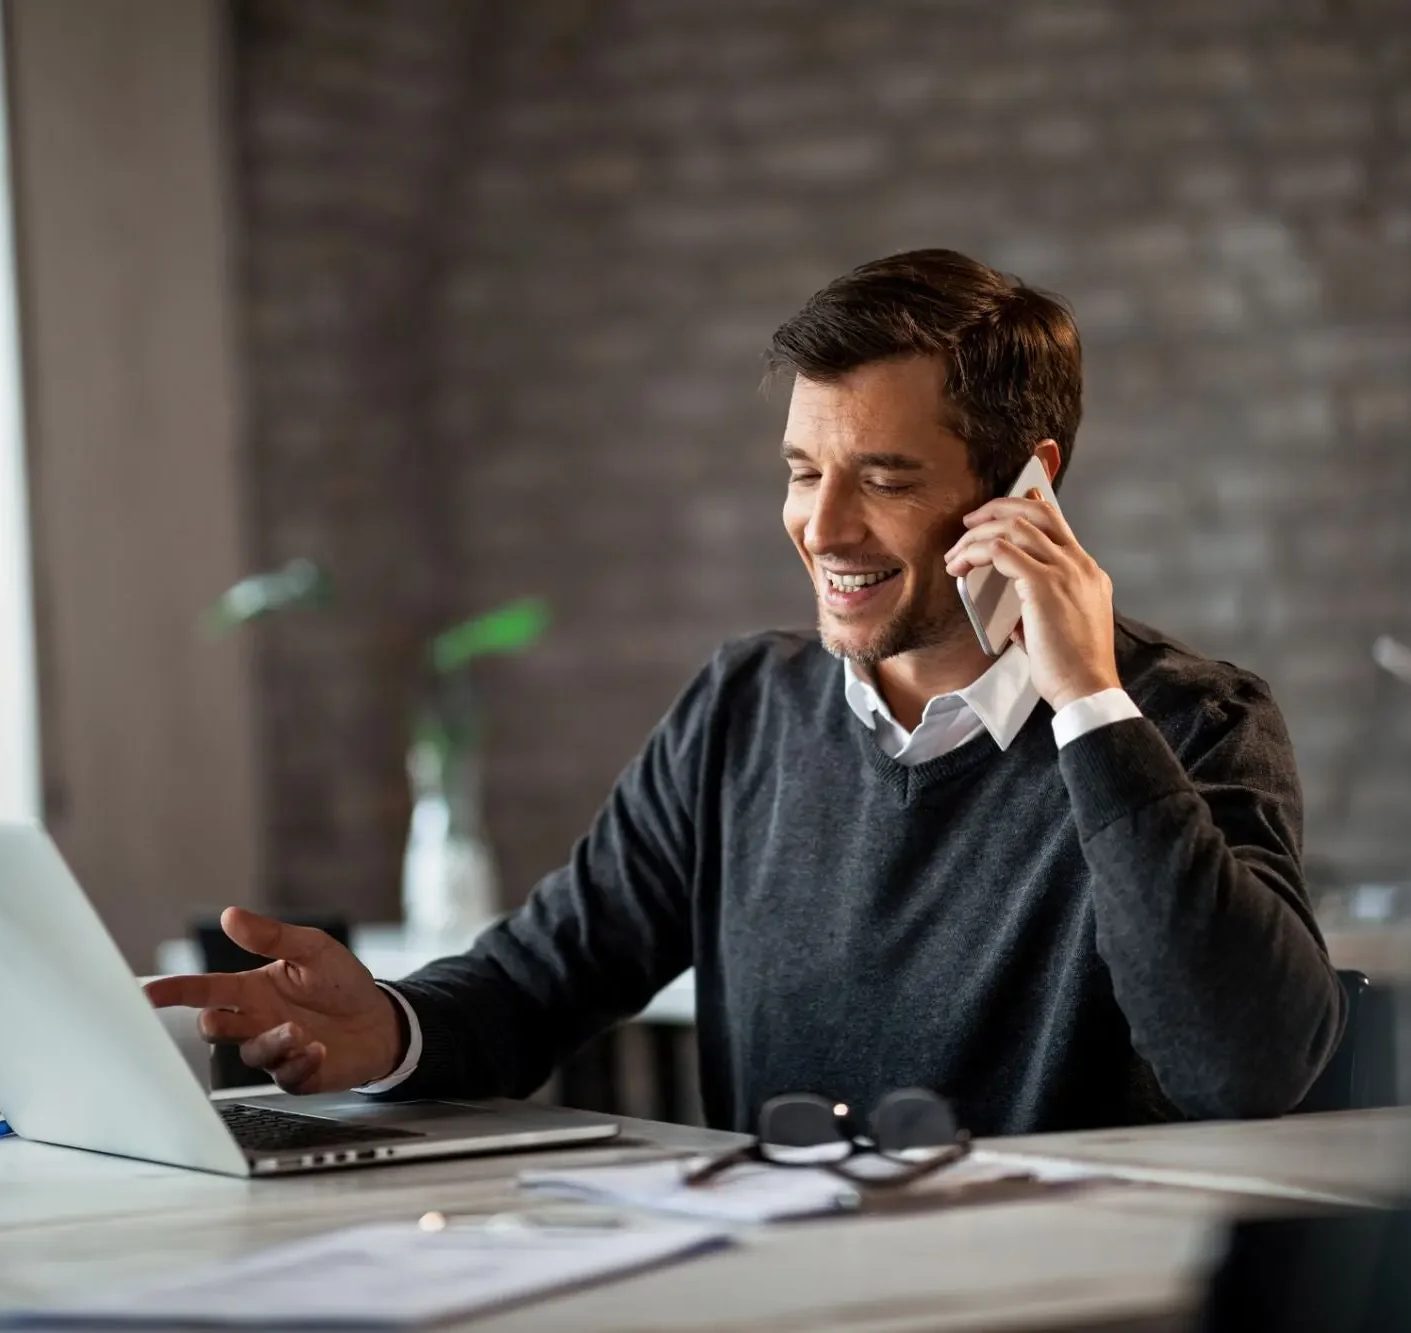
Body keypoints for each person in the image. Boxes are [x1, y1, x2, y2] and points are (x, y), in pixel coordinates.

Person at [147, 249, 1345, 1136]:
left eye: (880, 477)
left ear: (1027, 486)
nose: (821, 526)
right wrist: (389, 1029)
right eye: (800, 470)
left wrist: (1086, 700)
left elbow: (1242, 1068)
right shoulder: (741, 711)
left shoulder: (1185, 721)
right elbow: (537, 979)